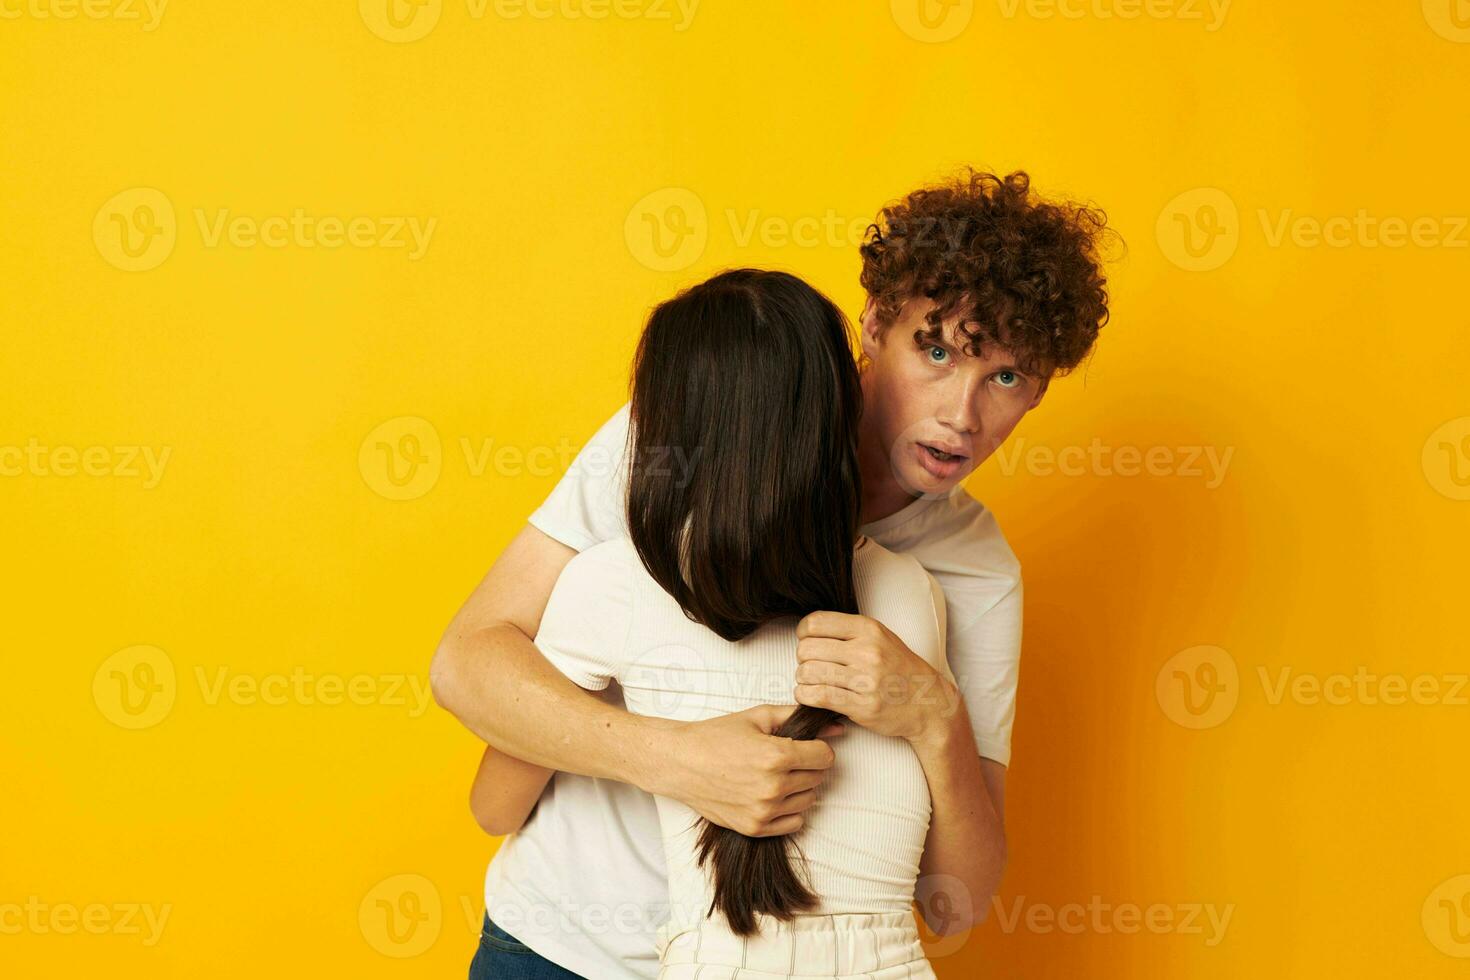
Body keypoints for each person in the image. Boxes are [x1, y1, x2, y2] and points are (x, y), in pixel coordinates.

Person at [434, 169, 1112, 979]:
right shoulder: (695, 422)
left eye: (1007, 378)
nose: (963, 415)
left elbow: (957, 902)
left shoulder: (968, 572)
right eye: (937, 351)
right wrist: (675, 759)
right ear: (874, 323)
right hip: (562, 948)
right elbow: (468, 661)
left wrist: (936, 716)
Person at [474, 267, 956, 978]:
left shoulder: (610, 582)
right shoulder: (909, 591)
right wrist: (676, 758)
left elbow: (495, 806)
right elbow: (955, 896)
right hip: (570, 943)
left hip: (582, 944)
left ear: (661, 427)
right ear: (838, 414)